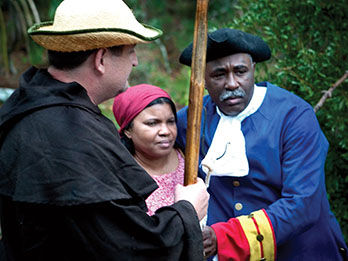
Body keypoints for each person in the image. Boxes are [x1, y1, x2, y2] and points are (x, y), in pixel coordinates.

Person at [0, 0, 209, 260]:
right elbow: (125, 246)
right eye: (131, 51)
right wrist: (187, 211)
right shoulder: (70, 135)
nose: (134, 62)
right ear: (100, 58)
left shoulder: (29, 105)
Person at [176, 28, 348, 260]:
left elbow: (303, 203)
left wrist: (223, 238)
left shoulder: (294, 116)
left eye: (240, 71)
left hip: (299, 252)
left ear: (253, 69)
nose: (231, 83)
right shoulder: (190, 119)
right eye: (218, 75)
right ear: (202, 80)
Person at [113, 84, 184, 216]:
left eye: (171, 121)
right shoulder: (121, 177)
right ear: (128, 130)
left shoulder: (188, 155)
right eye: (152, 123)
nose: (166, 131)